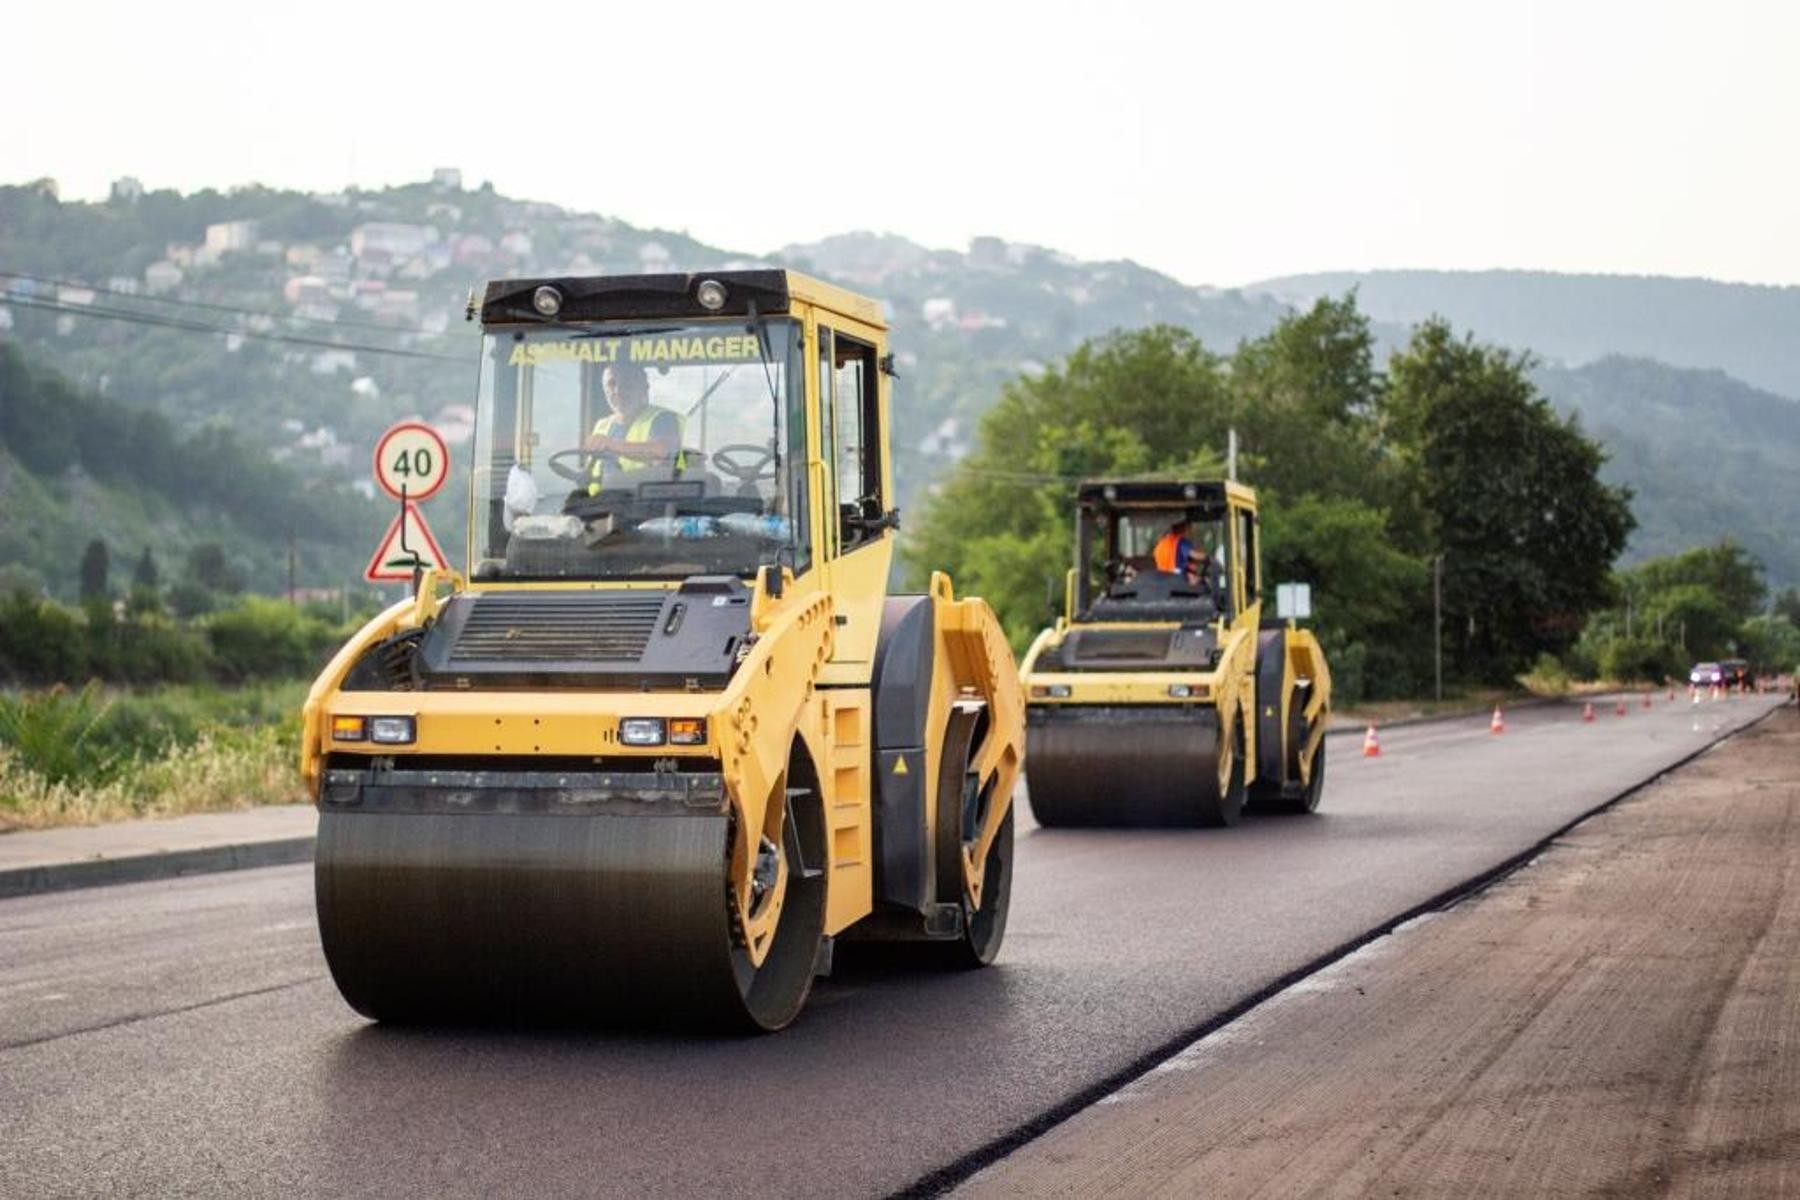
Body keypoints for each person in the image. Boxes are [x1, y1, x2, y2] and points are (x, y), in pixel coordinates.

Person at [584, 362, 685, 495]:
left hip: (644, 504)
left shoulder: (663, 419)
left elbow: (662, 452)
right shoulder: (601, 425)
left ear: (644, 387)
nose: (618, 391)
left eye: (627, 383)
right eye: (611, 384)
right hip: (597, 504)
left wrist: (611, 445)